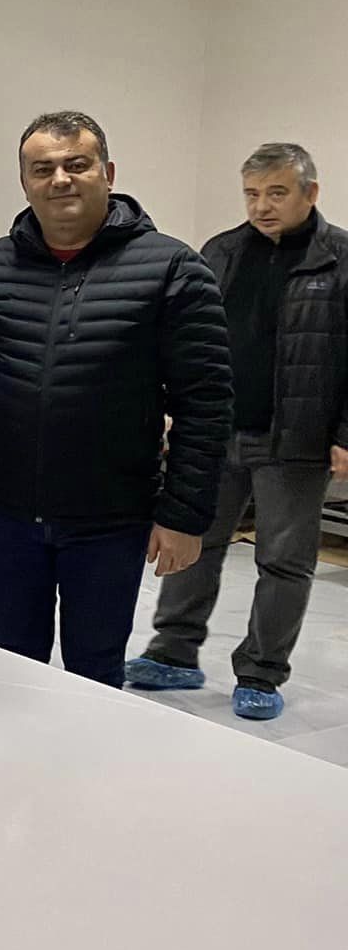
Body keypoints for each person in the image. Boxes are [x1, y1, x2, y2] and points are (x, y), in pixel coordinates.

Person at [0, 111, 232, 687]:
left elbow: (205, 401)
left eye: (77, 164)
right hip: (5, 511)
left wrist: (183, 516)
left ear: (108, 173)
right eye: (42, 168)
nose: (60, 179)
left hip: (110, 518)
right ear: (24, 182)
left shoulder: (172, 268)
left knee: (94, 672)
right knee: (9, 663)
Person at [127, 143, 348, 719]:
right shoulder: (220, 252)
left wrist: (345, 435)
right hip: (215, 432)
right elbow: (188, 339)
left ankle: (262, 673)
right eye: (252, 194)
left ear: (311, 193)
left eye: (276, 193)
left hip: (297, 441)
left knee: (284, 561)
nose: (261, 206)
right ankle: (173, 653)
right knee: (192, 542)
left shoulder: (341, 258)